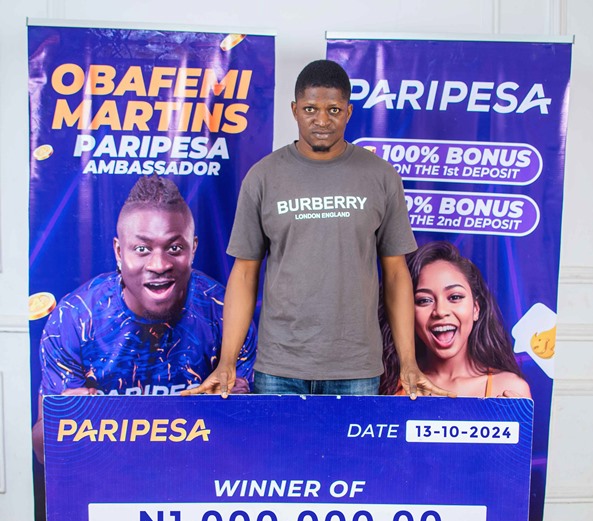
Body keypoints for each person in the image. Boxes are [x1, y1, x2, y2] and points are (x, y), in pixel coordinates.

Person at [186, 59, 446, 399]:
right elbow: (245, 273)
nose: (322, 121)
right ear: (295, 110)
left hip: (355, 370)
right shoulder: (263, 177)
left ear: (348, 112)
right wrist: (227, 362)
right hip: (279, 368)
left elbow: (397, 274)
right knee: (278, 440)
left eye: (333, 110)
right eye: (310, 109)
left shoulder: (380, 176)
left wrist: (408, 362)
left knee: (351, 442)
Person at [32, 175, 256, 460]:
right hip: (107, 475)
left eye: (174, 248)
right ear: (119, 252)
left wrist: (239, 408)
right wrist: (63, 420)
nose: (159, 265)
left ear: (193, 249)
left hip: (198, 473)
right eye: (142, 249)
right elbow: (43, 452)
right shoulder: (74, 318)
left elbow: (251, 444)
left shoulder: (226, 312)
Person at [380, 241, 531, 398]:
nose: (440, 311)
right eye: (424, 300)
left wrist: (511, 413)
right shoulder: (393, 387)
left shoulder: (510, 387)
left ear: (476, 309)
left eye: (455, 297)